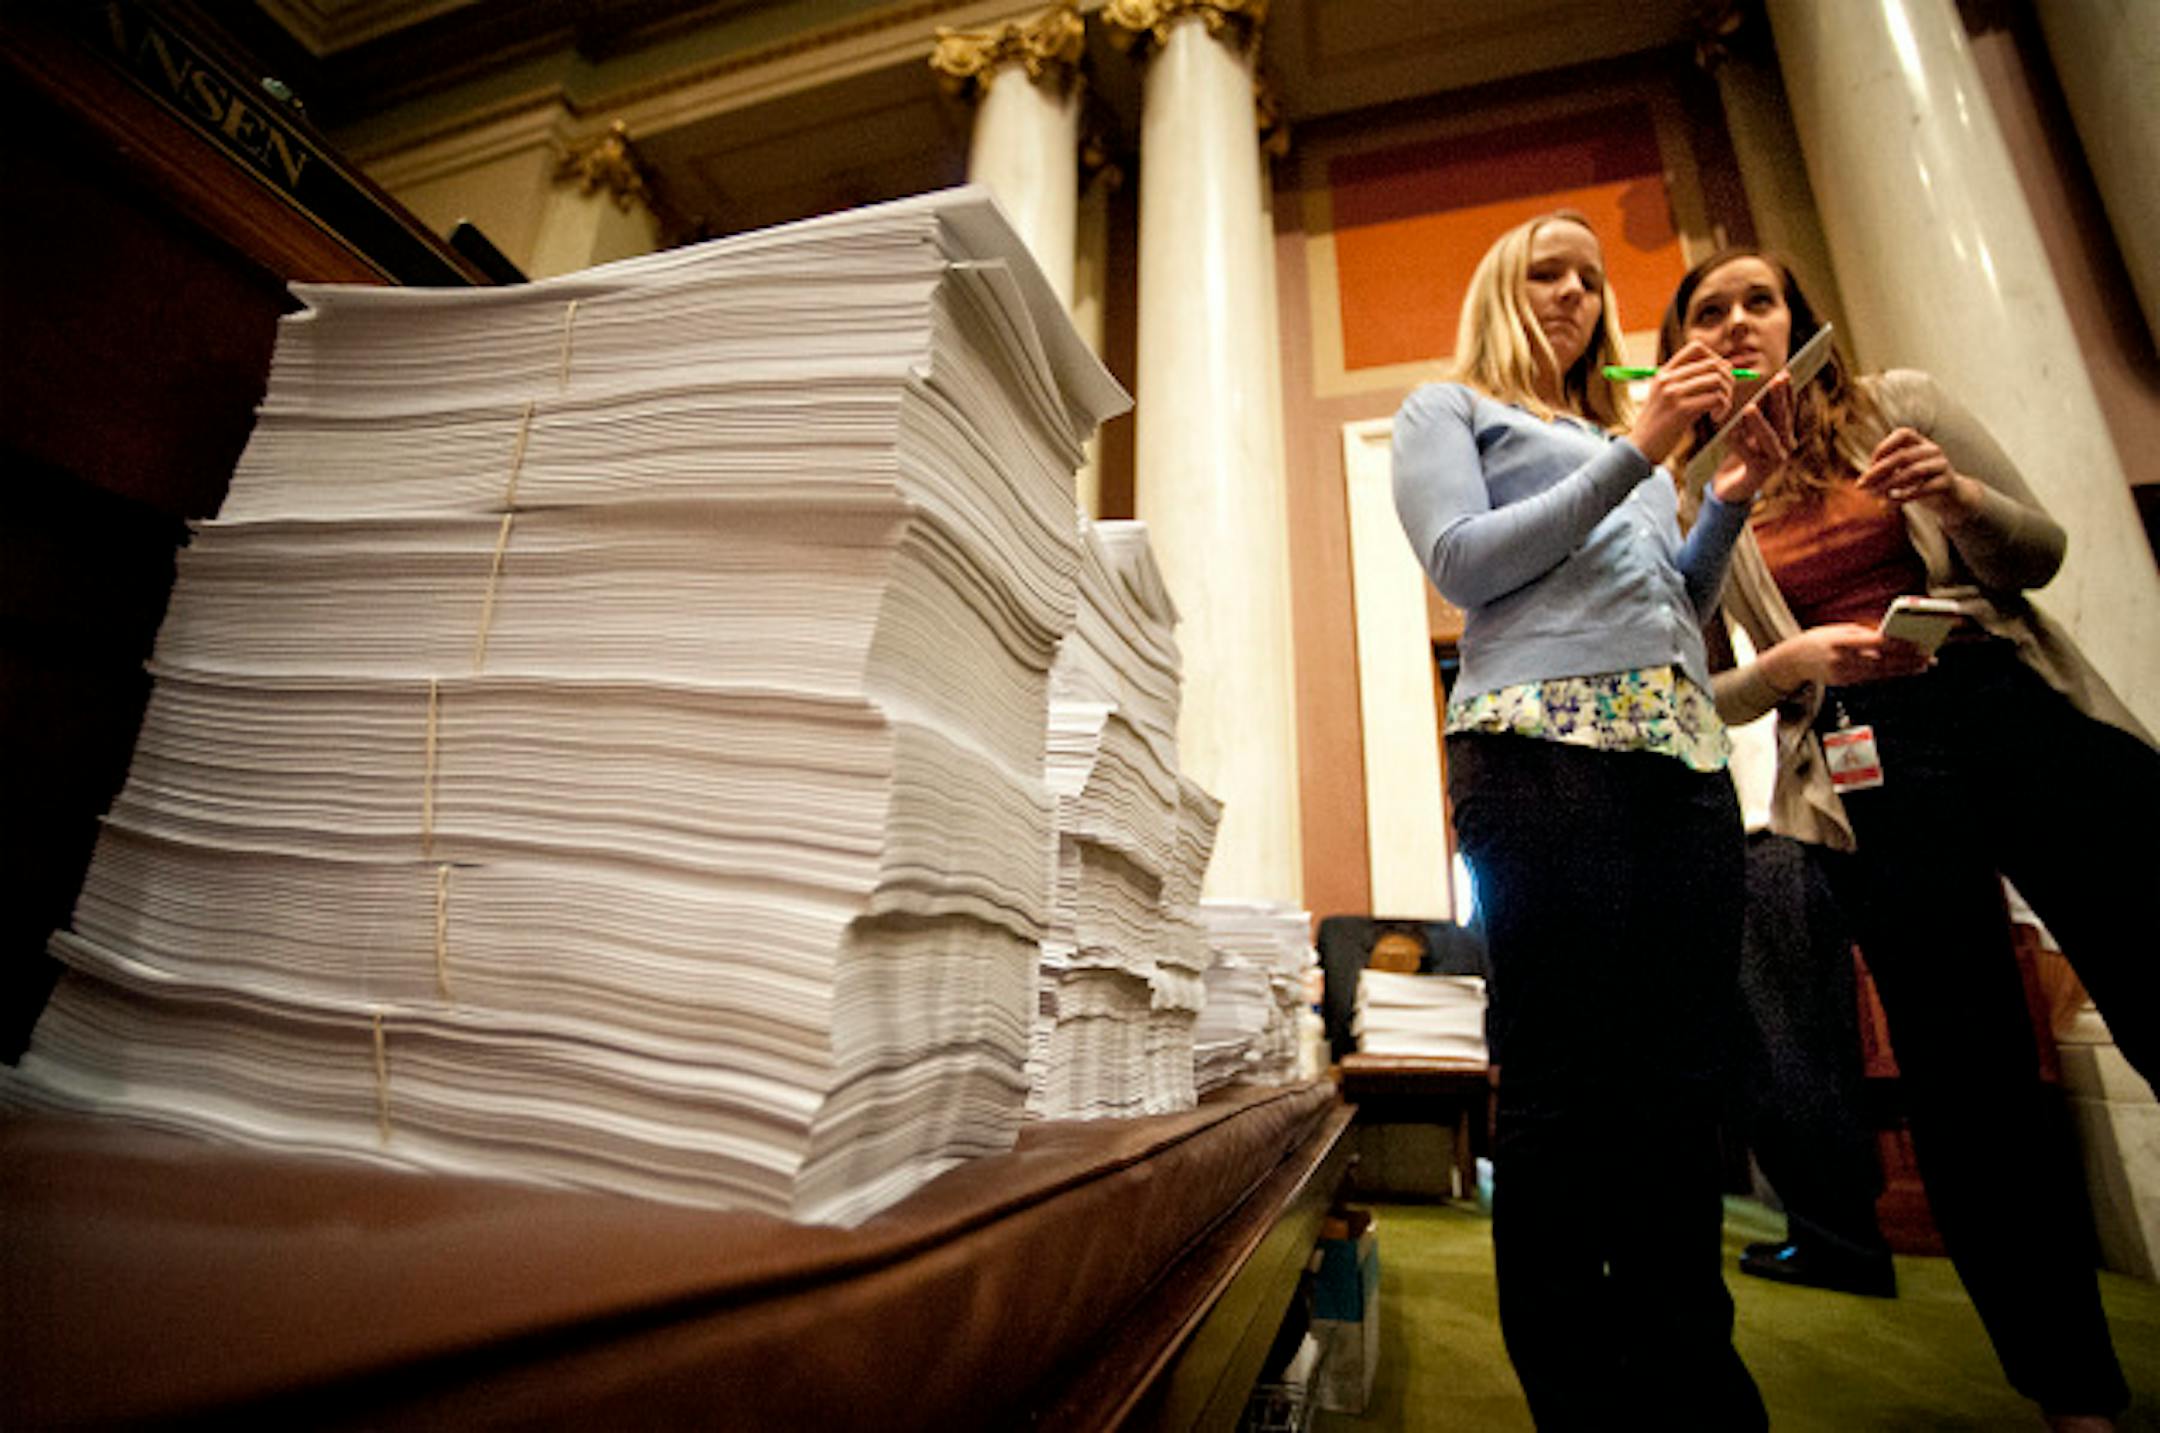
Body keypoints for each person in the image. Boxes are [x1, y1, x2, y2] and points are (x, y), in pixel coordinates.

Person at [1659, 247, 2160, 1432]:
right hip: (1862, 764)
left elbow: (2036, 555)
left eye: (1758, 300)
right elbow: (1691, 688)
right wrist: (1790, 662)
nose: (1739, 321)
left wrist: (1958, 498)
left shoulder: (1905, 405)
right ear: (1690, 347)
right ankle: (2071, 1391)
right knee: (1967, 1071)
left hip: (2003, 703)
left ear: (1797, 318)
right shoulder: (1700, 497)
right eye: (1710, 310)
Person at [1392, 209, 1784, 1430]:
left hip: (1677, 753)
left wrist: (1722, 496)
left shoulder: (1627, 444)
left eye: (1590, 277)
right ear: (1503, 289)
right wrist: (1644, 448)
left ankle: (1691, 1383)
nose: (1573, 291)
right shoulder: (1447, 410)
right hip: (1537, 752)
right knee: (1562, 1093)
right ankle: (1581, 1399)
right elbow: (1461, 562)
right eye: (1545, 270)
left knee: (1677, 1089)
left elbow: (1675, 602)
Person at [1728, 686, 1897, 1299]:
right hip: (1785, 839)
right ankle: (1836, 1234)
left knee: (1783, 1046)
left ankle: (1840, 1243)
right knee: (1801, 1042)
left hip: (1762, 835)